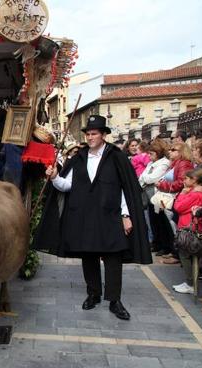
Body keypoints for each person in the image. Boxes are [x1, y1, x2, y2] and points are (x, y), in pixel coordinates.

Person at [34, 115, 151, 321]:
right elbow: (66, 186)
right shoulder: (79, 158)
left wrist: (126, 215)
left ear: (103, 135)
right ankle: (93, 294)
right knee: (88, 256)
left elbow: (125, 189)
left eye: (94, 133)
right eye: (88, 134)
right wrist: (54, 178)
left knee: (114, 257)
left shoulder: (116, 157)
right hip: (84, 216)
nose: (90, 137)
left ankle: (115, 300)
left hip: (110, 215)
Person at [171, 168, 202, 294]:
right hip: (196, 228)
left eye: (186, 178)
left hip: (188, 228)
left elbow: (178, 207)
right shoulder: (200, 193)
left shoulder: (194, 194)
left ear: (194, 180)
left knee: (185, 253)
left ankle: (190, 283)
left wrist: (182, 194)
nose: (184, 181)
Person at [139, 140, 171, 252]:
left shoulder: (164, 163)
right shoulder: (150, 164)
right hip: (148, 195)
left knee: (160, 221)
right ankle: (156, 243)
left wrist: (146, 178)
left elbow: (152, 178)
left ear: (158, 153)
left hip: (158, 195)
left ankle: (165, 245)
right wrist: (145, 178)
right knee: (152, 220)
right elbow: (142, 177)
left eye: (151, 153)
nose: (149, 156)